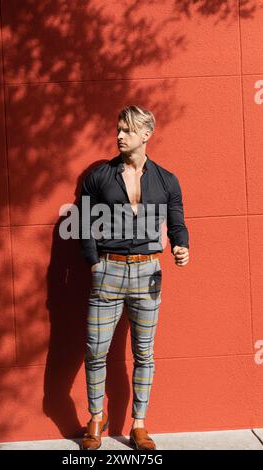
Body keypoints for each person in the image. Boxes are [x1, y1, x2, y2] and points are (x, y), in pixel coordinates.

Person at [78, 105, 190, 450]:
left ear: (146, 134)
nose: (119, 136)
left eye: (126, 130)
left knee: (144, 352)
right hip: (108, 272)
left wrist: (182, 246)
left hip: (148, 272)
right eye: (118, 130)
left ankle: (139, 424)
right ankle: (96, 417)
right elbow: (83, 224)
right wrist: (95, 263)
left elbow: (177, 223)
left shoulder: (166, 180)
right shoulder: (98, 177)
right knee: (96, 350)